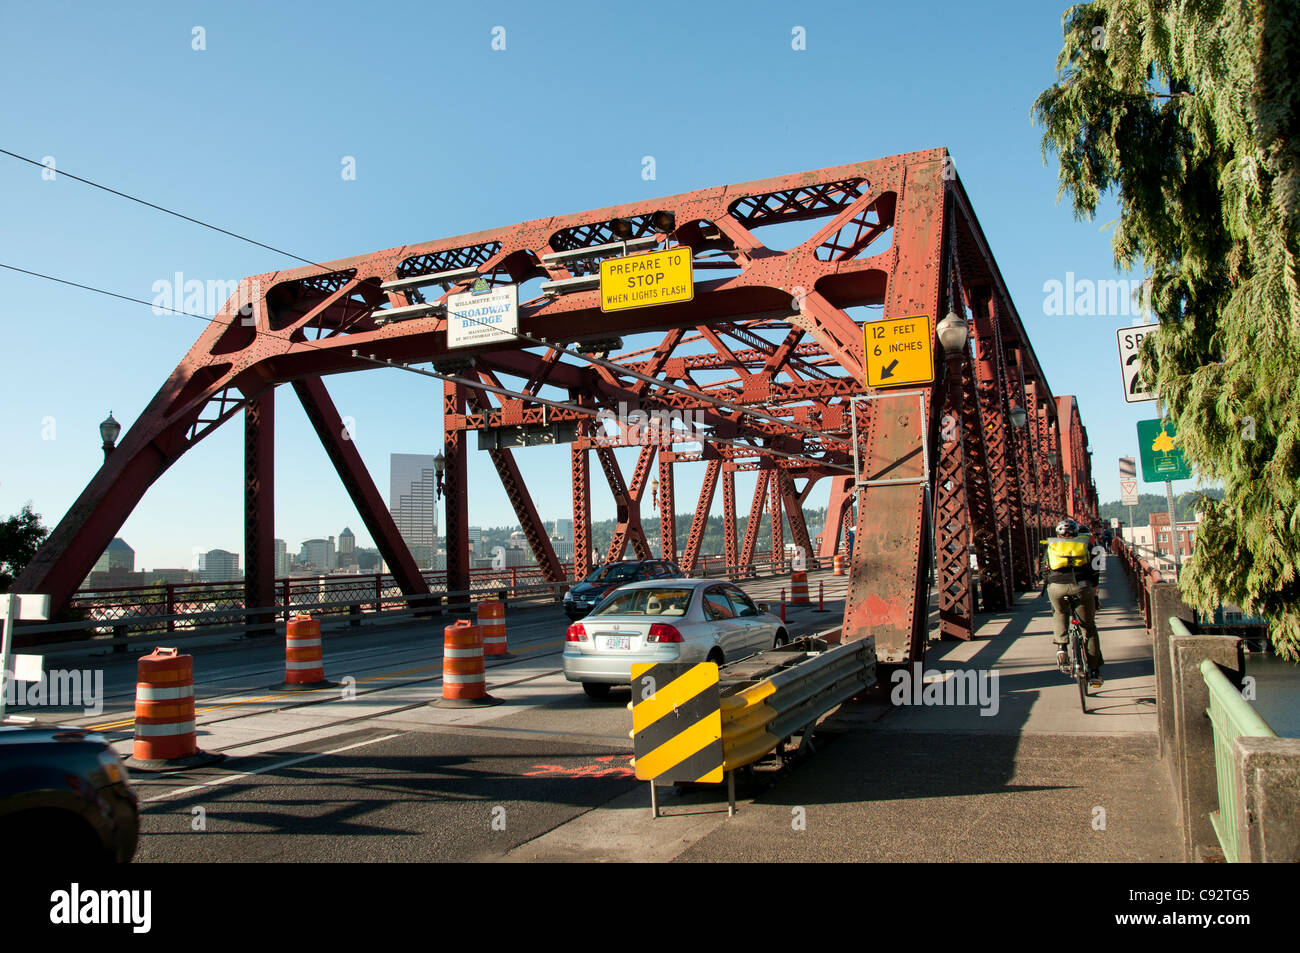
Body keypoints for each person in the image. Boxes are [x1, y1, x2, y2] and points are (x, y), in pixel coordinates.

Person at [1042, 518, 1104, 687]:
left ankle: (1061, 647)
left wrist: (1050, 582)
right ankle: (1094, 671)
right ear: (1077, 533)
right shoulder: (1086, 545)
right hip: (1081, 587)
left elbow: (1043, 571)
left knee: (1060, 612)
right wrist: (1094, 596)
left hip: (1057, 588)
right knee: (1089, 628)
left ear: (1058, 534)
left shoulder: (1051, 546)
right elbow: (1094, 573)